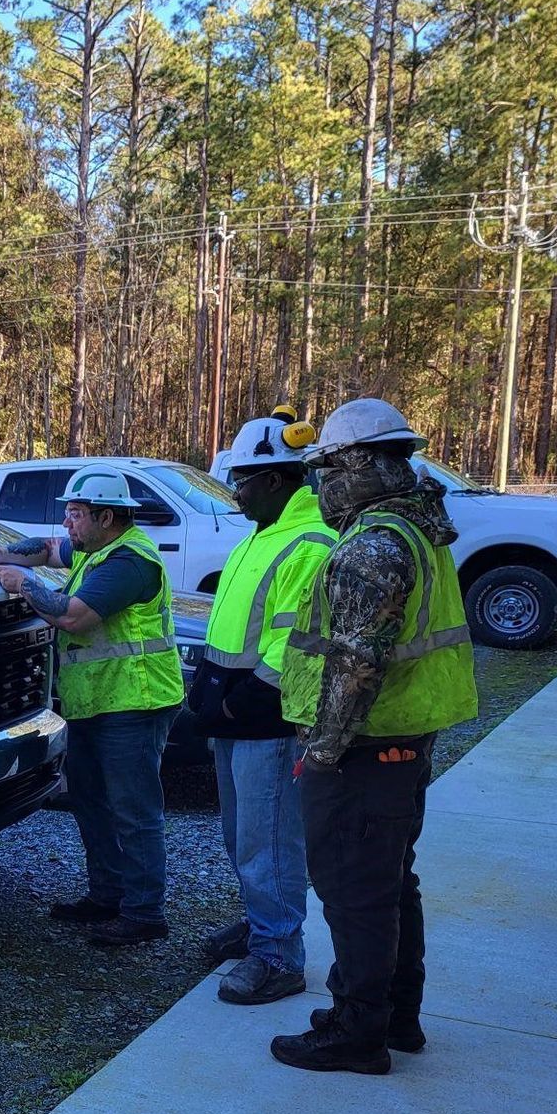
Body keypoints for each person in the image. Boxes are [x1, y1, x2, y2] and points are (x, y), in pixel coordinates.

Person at [271, 399, 478, 1073]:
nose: (320, 484)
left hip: (363, 750)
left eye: (327, 468)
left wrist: (324, 752)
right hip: (401, 743)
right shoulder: (416, 528)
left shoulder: (373, 547)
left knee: (354, 892)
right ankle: (396, 1017)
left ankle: (357, 1031)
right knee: (388, 883)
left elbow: (358, 662)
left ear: (360, 465)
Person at [0, 467, 184, 948]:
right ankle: (107, 895)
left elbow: (71, 617)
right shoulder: (98, 547)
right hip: (97, 703)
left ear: (106, 516)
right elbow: (50, 549)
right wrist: (3, 552)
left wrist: (20, 581)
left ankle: (144, 912)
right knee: (91, 801)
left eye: (75, 515)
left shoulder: (129, 563)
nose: (68, 525)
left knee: (134, 810)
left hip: (135, 703)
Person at [185, 411, 336, 1003]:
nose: (235, 492)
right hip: (236, 718)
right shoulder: (262, 533)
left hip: (267, 722)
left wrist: (239, 703)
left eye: (242, 480)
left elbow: (295, 645)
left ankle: (280, 956)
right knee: (240, 834)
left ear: (276, 480)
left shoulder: (307, 542)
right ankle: (261, 923)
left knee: (268, 840)